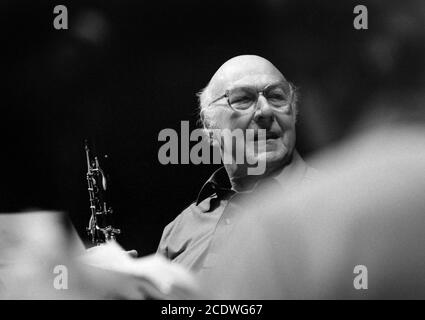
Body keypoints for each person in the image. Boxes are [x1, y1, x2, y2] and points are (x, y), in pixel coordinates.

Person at [157, 55, 320, 272]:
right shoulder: (179, 230)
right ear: (210, 127)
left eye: (277, 97)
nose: (266, 111)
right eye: (243, 99)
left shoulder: (340, 200)